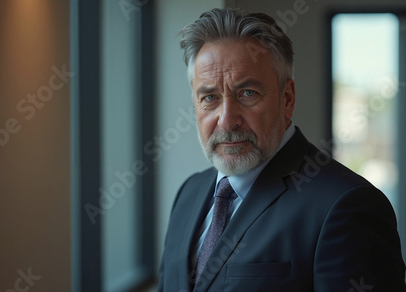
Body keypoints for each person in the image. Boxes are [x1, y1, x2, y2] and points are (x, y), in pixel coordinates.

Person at [158, 8, 406, 292]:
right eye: (210, 97)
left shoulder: (345, 206)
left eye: (247, 93)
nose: (227, 119)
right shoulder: (189, 193)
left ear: (287, 99)